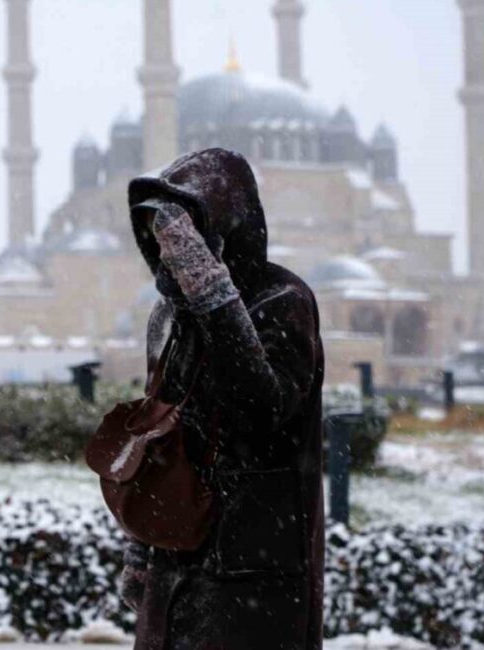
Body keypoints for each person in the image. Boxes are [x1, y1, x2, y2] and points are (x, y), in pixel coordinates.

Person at [119, 148, 325, 649]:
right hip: (174, 557)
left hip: (254, 566)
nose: (172, 251)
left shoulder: (283, 300)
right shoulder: (168, 315)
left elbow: (260, 409)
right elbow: (158, 433)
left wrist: (213, 295)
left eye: (184, 236)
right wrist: (141, 550)